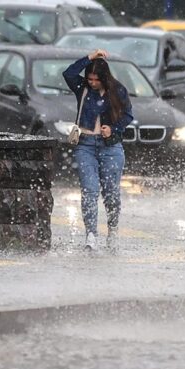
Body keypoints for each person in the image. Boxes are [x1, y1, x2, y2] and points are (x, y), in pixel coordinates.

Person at [63, 49, 134, 252]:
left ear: (104, 78)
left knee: (111, 193)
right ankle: (91, 234)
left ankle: (112, 230)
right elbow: (68, 73)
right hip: (85, 145)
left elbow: (128, 115)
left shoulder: (117, 90)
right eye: (90, 78)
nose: (92, 82)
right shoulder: (82, 88)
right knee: (89, 191)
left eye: (96, 79)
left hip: (110, 147)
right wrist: (90, 57)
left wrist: (114, 128)